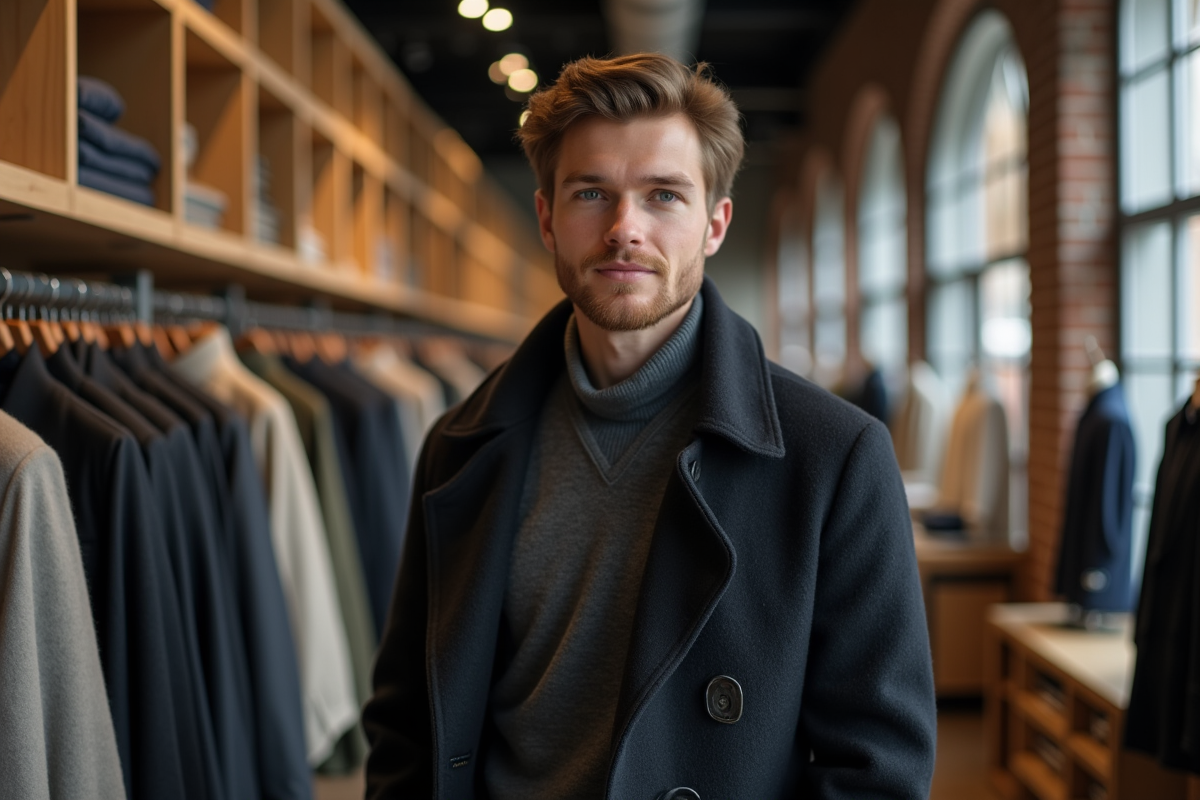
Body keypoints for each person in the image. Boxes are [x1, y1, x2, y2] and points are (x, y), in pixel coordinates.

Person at [363, 53, 936, 800]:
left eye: (664, 195)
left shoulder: (835, 457)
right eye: (591, 192)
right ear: (546, 218)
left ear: (714, 225)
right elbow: (408, 723)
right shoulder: (459, 447)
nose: (624, 228)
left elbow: (878, 769)